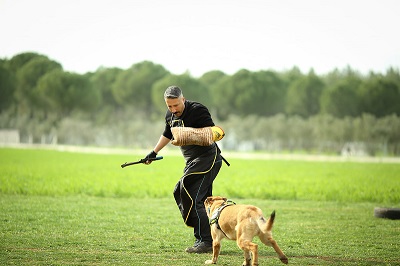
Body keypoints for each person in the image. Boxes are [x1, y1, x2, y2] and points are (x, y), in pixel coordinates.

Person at [144, 85, 225, 253]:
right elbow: (168, 133)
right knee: (188, 195)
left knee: (190, 194)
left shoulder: (197, 110)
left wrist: (188, 134)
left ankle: (206, 241)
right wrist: (153, 152)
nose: (173, 109)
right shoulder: (170, 115)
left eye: (176, 105)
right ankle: (208, 236)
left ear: (183, 99)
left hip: (208, 159)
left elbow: (211, 132)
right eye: (169, 106)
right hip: (192, 162)